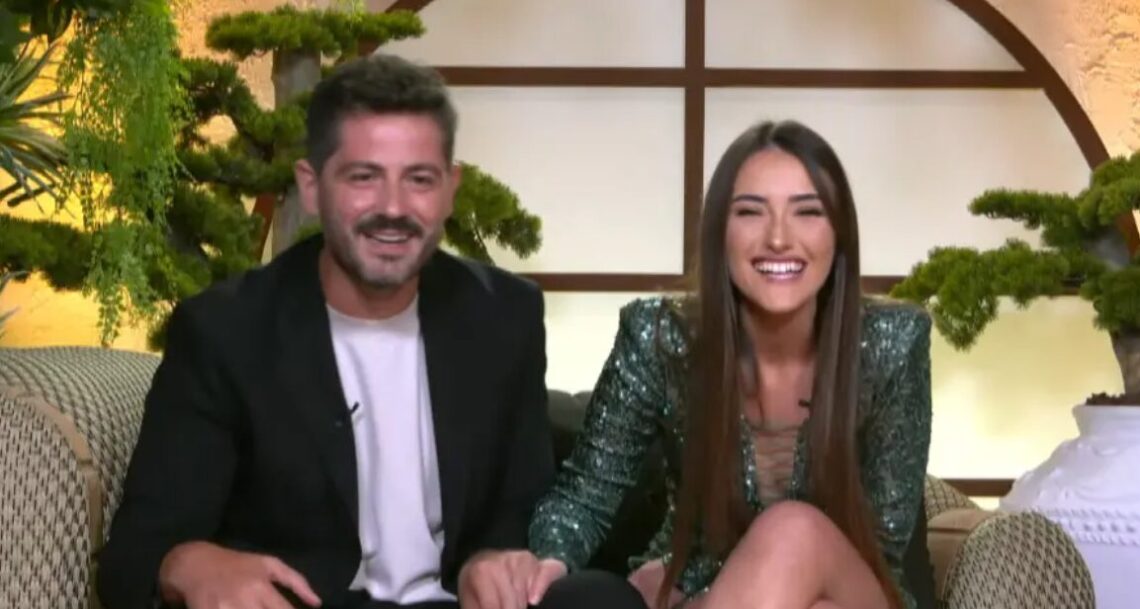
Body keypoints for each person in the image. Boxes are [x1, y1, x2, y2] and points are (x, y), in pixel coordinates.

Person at [96, 53, 635, 609]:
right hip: (311, 604)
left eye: (419, 180)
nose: (393, 208)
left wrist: (493, 561)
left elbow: (520, 509)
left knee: (604, 600)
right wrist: (188, 564)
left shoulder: (504, 314)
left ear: (450, 188)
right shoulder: (225, 331)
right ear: (311, 186)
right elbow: (134, 556)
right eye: (364, 177)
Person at [525, 120, 934, 609]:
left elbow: (885, 541)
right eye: (750, 212)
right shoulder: (661, 338)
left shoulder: (894, 342)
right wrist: (547, 563)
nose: (778, 238)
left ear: (839, 234)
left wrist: (708, 597)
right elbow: (585, 495)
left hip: (858, 589)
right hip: (702, 586)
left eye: (807, 212)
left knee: (793, 530)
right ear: (720, 231)